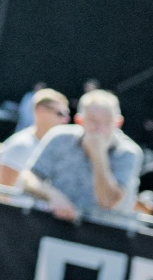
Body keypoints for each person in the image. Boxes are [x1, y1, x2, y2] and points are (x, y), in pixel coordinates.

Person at [16, 89, 141, 221]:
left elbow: (107, 201)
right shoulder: (60, 137)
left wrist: (98, 155)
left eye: (108, 122)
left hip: (103, 230)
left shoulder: (127, 153)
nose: (101, 129)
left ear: (118, 123)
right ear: (79, 120)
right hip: (55, 223)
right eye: (94, 121)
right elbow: (28, 177)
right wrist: (52, 195)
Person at [0, 88, 69, 188]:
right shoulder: (19, 145)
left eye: (67, 115)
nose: (65, 120)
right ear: (41, 110)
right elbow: (1, 194)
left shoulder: (59, 148)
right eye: (60, 114)